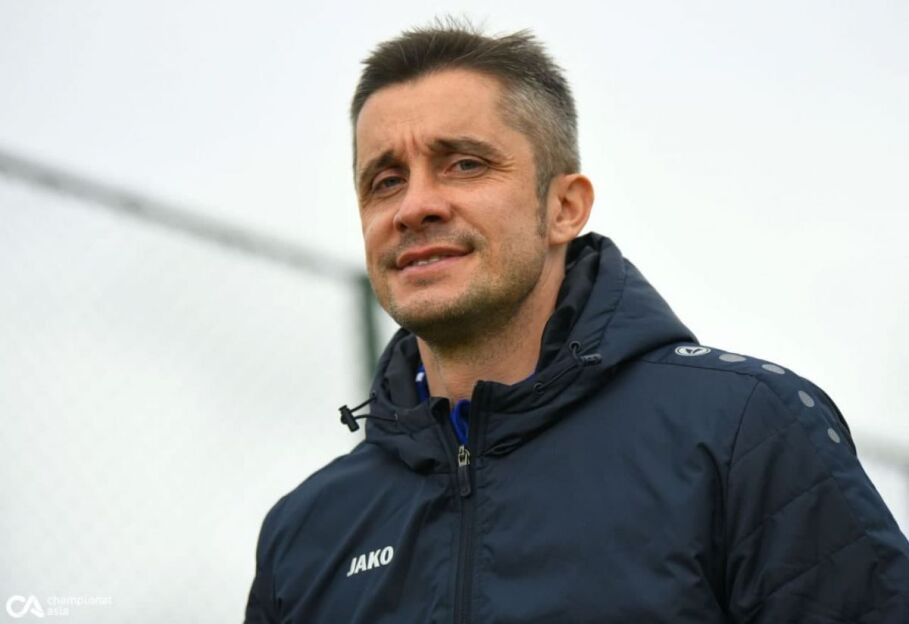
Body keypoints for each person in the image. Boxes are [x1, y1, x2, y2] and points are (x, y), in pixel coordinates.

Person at [245, 20, 909, 623]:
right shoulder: (305, 535)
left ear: (564, 207)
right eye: (385, 181)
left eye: (464, 164)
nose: (414, 206)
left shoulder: (743, 432)